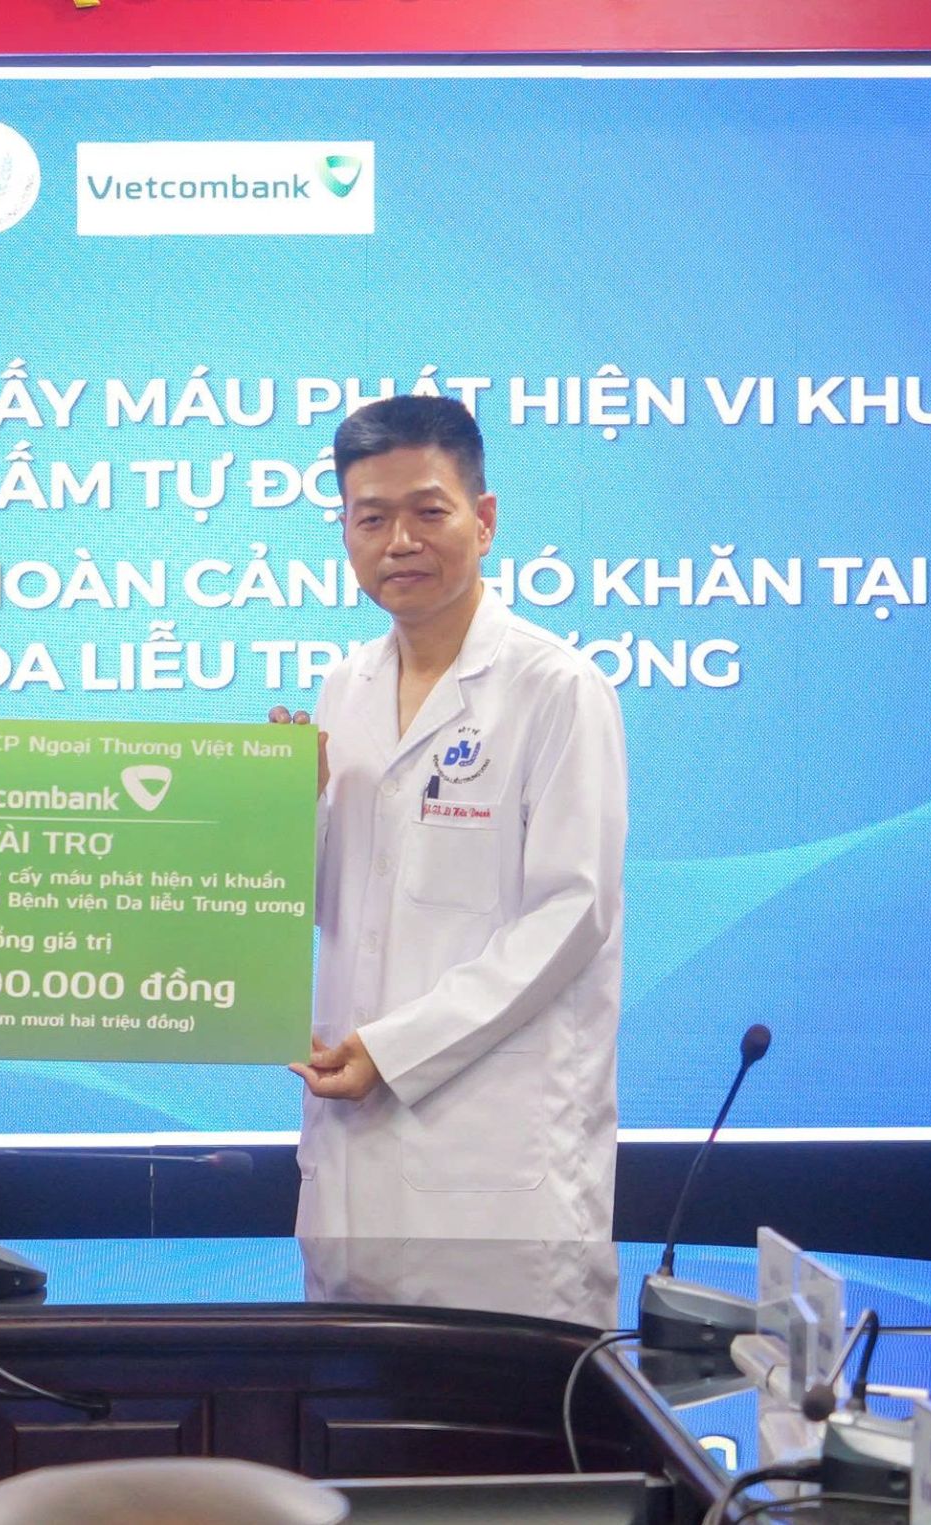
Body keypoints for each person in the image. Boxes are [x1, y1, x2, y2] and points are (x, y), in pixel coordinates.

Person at [276, 395, 626, 1240]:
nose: (399, 541)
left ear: (484, 520)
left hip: (495, 1170)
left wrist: (396, 1047)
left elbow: (568, 915)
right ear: (345, 532)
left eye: (427, 512)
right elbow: (332, 903)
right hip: (348, 1163)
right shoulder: (343, 688)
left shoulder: (556, 687)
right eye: (371, 518)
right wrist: (291, 812)